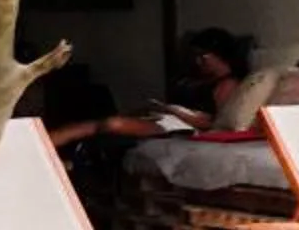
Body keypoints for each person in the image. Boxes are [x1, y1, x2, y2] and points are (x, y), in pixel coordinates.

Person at [48, 28, 249, 147]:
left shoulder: (228, 83)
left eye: (203, 56)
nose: (198, 62)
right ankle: (40, 146)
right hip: (168, 118)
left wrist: (171, 110)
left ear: (220, 55)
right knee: (89, 122)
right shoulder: (200, 79)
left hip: (185, 127)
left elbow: (212, 122)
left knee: (112, 124)